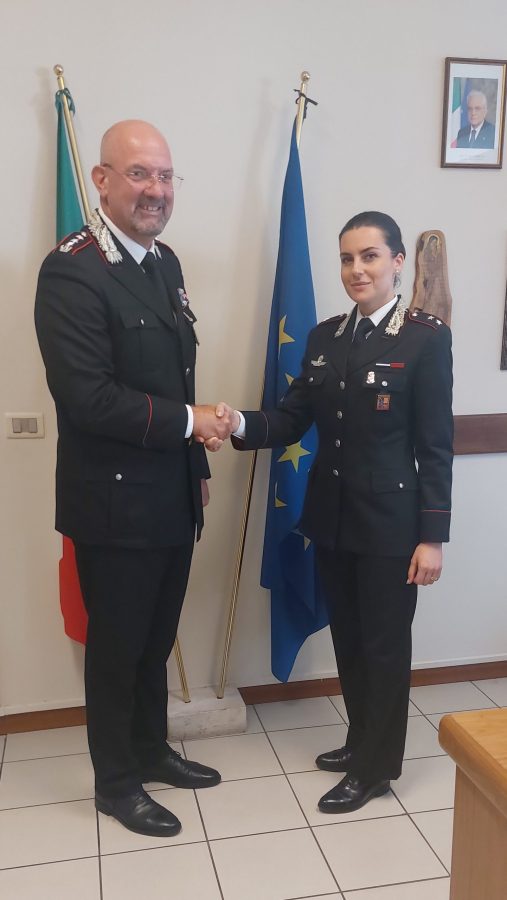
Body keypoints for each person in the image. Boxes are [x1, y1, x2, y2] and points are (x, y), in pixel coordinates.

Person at [212, 211, 453, 813]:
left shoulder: (424, 337)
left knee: (384, 648)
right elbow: (292, 417)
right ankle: (359, 740)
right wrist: (237, 423)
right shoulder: (325, 338)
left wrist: (432, 537)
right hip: (334, 520)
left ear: (397, 262)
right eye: (347, 258)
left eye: (370, 256)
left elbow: (435, 445)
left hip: (392, 528)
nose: (357, 269)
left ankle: (376, 768)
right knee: (348, 638)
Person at [35, 120, 237, 837]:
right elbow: (88, 398)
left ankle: (151, 750)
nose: (156, 190)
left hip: (171, 496)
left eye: (165, 176)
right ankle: (116, 783)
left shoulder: (163, 262)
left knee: (155, 640)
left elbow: (173, 375)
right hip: (114, 505)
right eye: (139, 174)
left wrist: (194, 464)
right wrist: (192, 424)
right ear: (101, 180)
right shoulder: (72, 269)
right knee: (118, 650)